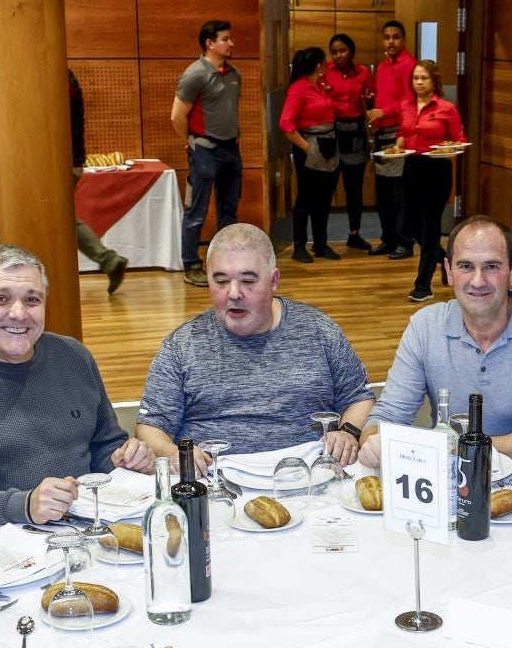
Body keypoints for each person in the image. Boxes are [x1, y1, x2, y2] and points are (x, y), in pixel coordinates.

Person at [0, 245, 152, 530]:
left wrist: (126, 458)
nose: (19, 313)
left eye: (32, 300)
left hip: (87, 529)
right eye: (1, 299)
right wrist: (24, 505)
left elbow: (105, 444)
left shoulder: (74, 355)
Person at [138, 223, 373, 464]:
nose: (233, 293)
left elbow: (359, 398)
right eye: (221, 281)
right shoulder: (181, 345)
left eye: (248, 281)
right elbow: (152, 428)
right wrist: (175, 454)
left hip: (310, 479)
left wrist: (348, 433)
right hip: (214, 483)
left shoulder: (318, 329)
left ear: (273, 281)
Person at [361, 216, 512, 468]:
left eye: (492, 266)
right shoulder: (424, 326)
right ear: (448, 271)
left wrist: (460, 449)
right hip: (447, 483)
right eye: (465, 266)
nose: (478, 280)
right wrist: (374, 441)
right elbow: (386, 416)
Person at [172, 19, 243, 288]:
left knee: (229, 210)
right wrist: (191, 143)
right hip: (204, 150)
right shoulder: (195, 74)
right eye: (225, 39)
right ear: (209, 43)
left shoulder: (234, 74)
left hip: (231, 150)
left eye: (230, 38)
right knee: (197, 211)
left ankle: (225, 263)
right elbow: (177, 116)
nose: (231, 43)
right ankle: (191, 265)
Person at [399, 58, 467, 303]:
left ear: (434, 80)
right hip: (411, 166)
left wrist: (448, 149)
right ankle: (445, 259)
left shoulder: (446, 108)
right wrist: (396, 145)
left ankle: (422, 285)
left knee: (430, 227)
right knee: (413, 226)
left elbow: (459, 139)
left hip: (436, 168)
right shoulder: (405, 105)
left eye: (423, 78)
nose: (418, 82)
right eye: (415, 78)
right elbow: (403, 134)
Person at [280, 45, 343, 265]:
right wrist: (307, 147)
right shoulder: (299, 88)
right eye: (324, 62)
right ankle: (299, 245)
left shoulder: (321, 86)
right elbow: (286, 123)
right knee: (306, 198)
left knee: (324, 198)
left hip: (328, 144)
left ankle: (320, 243)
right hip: (310, 146)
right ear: (319, 66)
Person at [68, 68, 128, 292]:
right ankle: (108, 260)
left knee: (57, 219)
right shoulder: (64, 78)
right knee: (63, 218)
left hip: (60, 162)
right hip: (71, 160)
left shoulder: (57, 81)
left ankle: (107, 260)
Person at [366, 19, 417, 258]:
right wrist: (375, 121)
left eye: (395, 36)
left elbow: (408, 101)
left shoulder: (410, 65)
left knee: (399, 193)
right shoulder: (383, 67)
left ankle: (404, 242)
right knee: (383, 192)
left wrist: (383, 113)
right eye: (386, 37)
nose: (391, 41)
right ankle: (388, 238)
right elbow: (380, 100)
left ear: (403, 39)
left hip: (399, 134)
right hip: (381, 133)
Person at [324, 33, 375, 254]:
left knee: (354, 190)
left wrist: (369, 99)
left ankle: (354, 234)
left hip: (355, 132)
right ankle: (320, 238)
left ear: (351, 52)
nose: (338, 56)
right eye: (334, 52)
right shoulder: (324, 71)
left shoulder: (363, 72)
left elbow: (372, 99)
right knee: (327, 189)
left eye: (342, 51)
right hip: (332, 133)